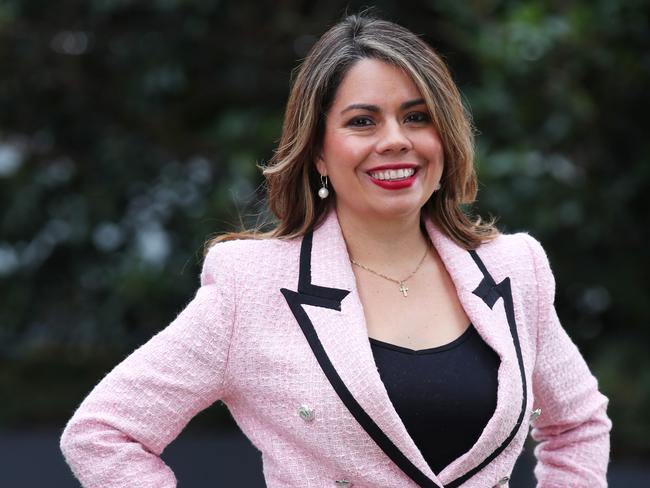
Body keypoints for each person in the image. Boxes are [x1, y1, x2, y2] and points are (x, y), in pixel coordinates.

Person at [60, 13, 611, 488]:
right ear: (319, 153)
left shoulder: (515, 268)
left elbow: (578, 424)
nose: (395, 139)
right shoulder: (250, 286)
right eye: (362, 121)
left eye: (416, 117)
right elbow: (103, 432)